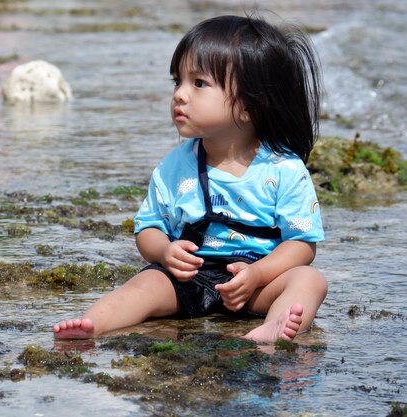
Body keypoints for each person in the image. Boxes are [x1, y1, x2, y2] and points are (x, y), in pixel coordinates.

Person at [53, 14, 328, 344]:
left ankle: (273, 327)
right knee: (144, 285)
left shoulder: (283, 168)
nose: (180, 95)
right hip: (189, 279)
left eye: (199, 83)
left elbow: (301, 244)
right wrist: (165, 251)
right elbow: (149, 227)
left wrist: (257, 275)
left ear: (250, 106)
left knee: (309, 280)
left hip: (255, 286)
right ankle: (92, 324)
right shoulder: (177, 165)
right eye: (177, 81)